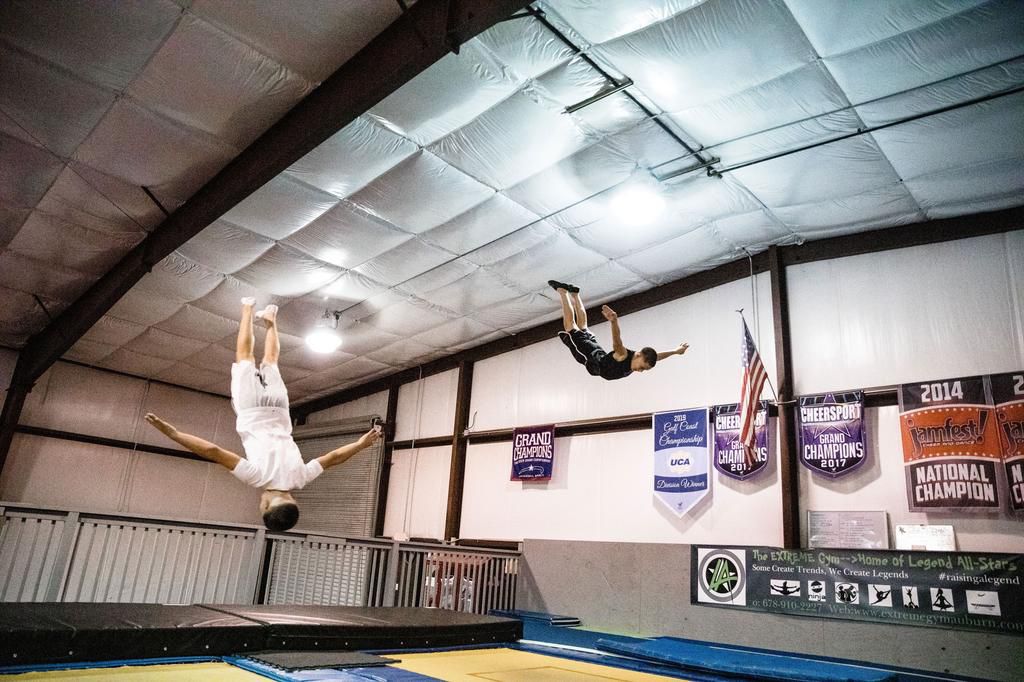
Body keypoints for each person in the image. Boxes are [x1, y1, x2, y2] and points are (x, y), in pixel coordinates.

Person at [145, 297, 381, 532]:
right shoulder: (256, 478)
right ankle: (247, 308)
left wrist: (361, 444)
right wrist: (174, 434)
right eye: (261, 506)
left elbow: (334, 457)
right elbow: (213, 451)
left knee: (271, 362)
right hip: (250, 410)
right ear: (266, 504)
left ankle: (270, 320)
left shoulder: (301, 478)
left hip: (278, 409)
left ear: (293, 501)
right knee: (245, 357)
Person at [549, 280, 689, 380]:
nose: (640, 371)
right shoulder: (623, 355)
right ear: (639, 355)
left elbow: (657, 356)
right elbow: (617, 343)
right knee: (570, 326)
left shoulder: (640, 358)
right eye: (642, 367)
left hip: (596, 352)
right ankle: (563, 292)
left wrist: (676, 351)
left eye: (644, 369)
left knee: (583, 327)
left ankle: (575, 294)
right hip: (589, 354)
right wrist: (614, 322)